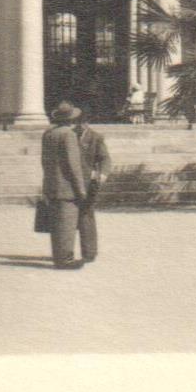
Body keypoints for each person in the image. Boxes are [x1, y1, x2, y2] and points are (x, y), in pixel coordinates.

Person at [40, 102, 90, 270]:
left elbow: (44, 161)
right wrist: (81, 189)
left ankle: (58, 257)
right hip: (67, 187)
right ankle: (65, 260)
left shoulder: (48, 134)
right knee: (67, 225)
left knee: (56, 225)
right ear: (72, 120)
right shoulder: (68, 135)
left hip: (51, 185)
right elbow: (73, 165)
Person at [73, 106, 112, 265]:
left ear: (87, 122)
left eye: (83, 122)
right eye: (77, 122)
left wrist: (102, 174)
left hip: (88, 182)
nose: (80, 125)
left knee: (86, 216)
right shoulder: (68, 136)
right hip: (71, 182)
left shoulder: (96, 137)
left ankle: (89, 253)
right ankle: (65, 251)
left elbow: (105, 158)